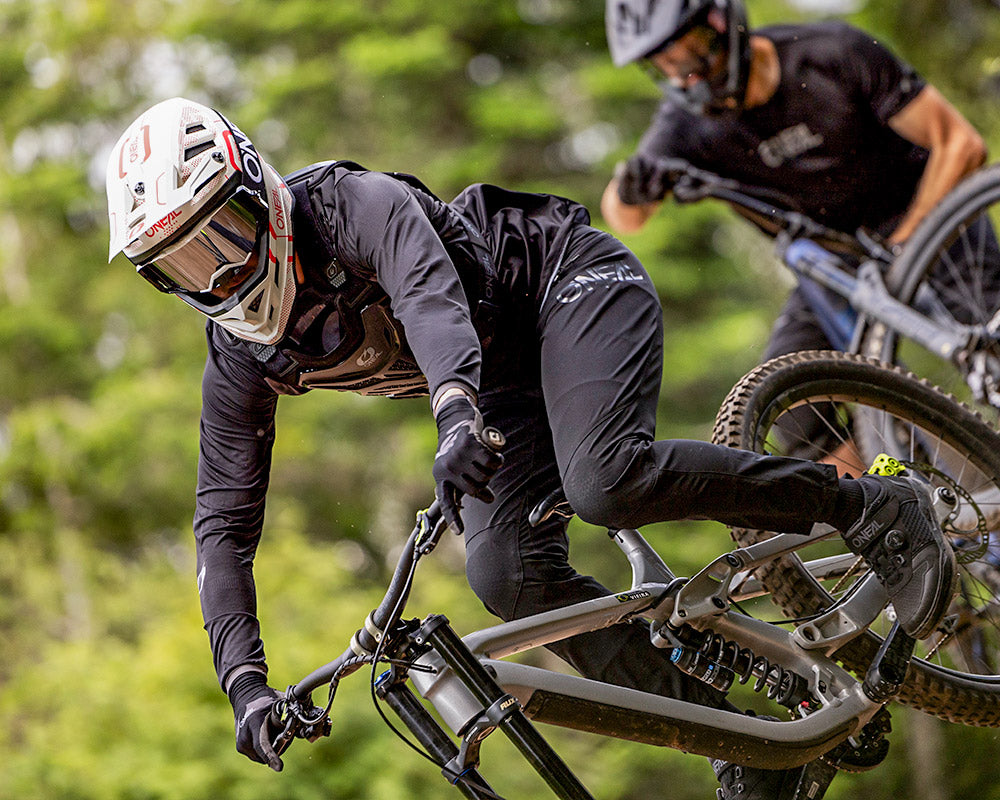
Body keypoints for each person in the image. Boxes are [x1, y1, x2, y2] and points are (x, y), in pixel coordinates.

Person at [107, 98, 957, 796]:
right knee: (505, 578)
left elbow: (428, 294)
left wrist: (454, 412)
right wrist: (244, 684)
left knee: (605, 481)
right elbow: (222, 527)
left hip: (565, 285)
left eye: (222, 239)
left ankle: (871, 506)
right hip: (498, 389)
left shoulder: (349, 207)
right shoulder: (241, 355)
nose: (218, 278)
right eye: (182, 268)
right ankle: (740, 738)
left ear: (259, 191)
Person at [602, 0, 990, 369]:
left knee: (992, 348)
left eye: (692, 52)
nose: (687, 76)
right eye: (666, 64)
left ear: (721, 23)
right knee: (788, 400)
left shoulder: (833, 52)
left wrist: (907, 243)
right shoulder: (682, 128)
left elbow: (961, 145)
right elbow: (624, 219)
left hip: (930, 220)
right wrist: (630, 189)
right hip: (833, 265)